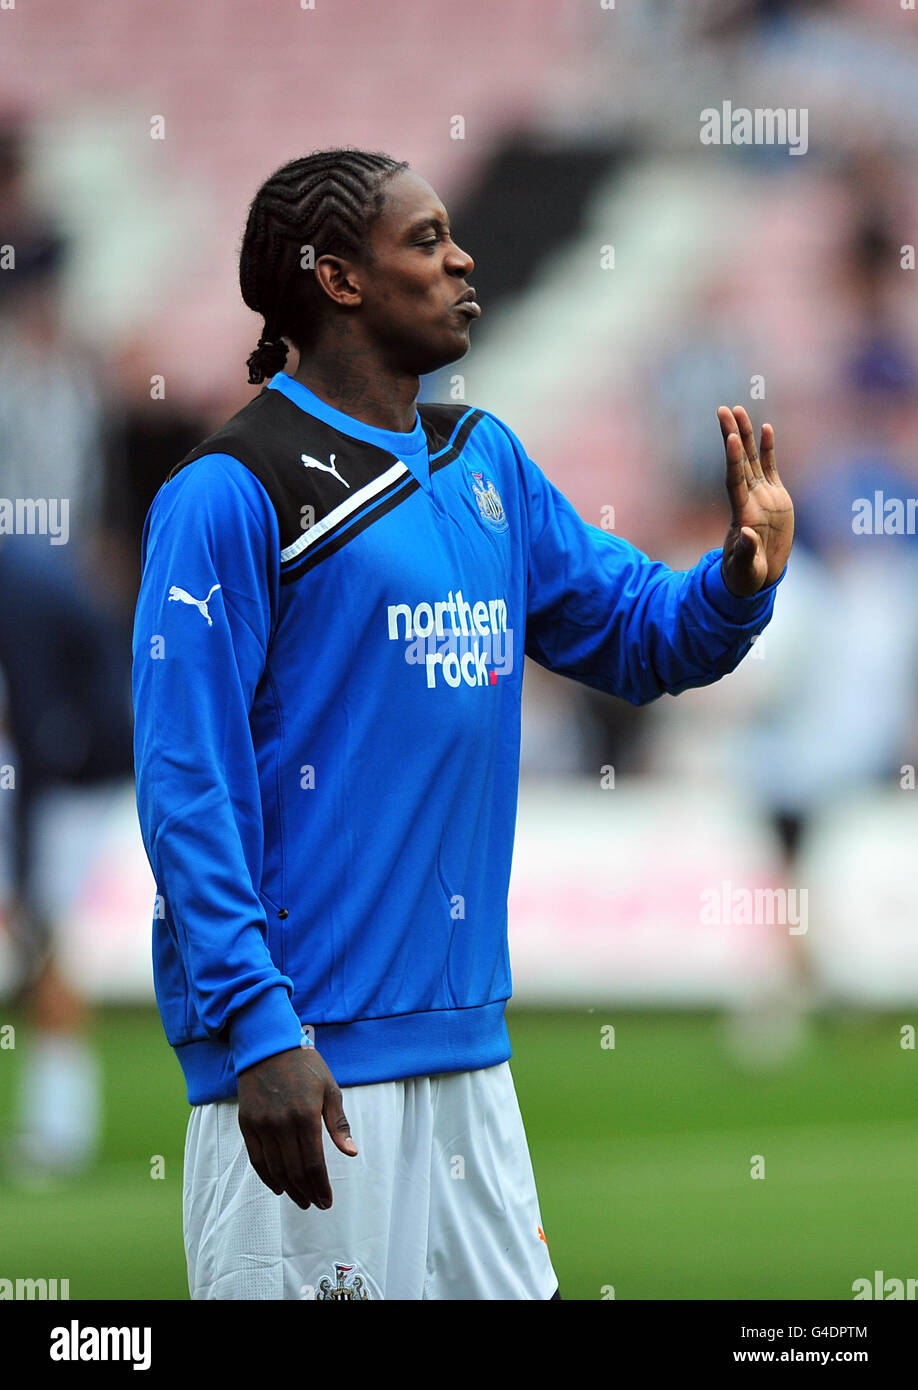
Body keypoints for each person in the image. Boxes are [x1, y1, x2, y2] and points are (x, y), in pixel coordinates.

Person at [131, 147, 794, 1300]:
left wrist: (735, 582)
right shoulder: (230, 492)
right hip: (309, 1060)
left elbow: (639, 634)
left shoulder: (482, 460)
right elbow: (188, 780)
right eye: (427, 241)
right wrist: (257, 1026)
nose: (464, 257)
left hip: (469, 1064)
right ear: (338, 279)